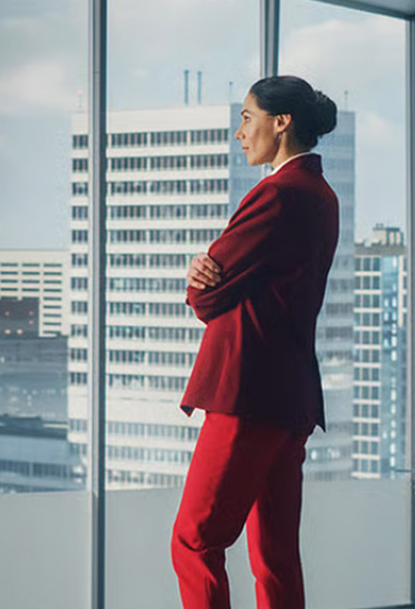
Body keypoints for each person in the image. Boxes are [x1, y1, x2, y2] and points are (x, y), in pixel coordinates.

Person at [172, 75, 340, 609]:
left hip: (247, 394)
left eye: (247, 117)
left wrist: (202, 276)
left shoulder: (278, 195)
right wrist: (213, 275)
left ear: (281, 122)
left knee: (194, 540)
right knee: (275, 558)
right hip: (289, 399)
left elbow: (206, 299)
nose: (239, 132)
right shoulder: (321, 193)